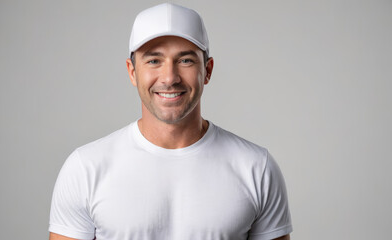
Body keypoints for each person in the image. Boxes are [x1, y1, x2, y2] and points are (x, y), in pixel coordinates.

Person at [49, 3, 292, 240]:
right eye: (154, 61)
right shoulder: (85, 168)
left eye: (185, 60)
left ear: (207, 70)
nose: (169, 78)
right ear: (132, 72)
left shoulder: (256, 168)